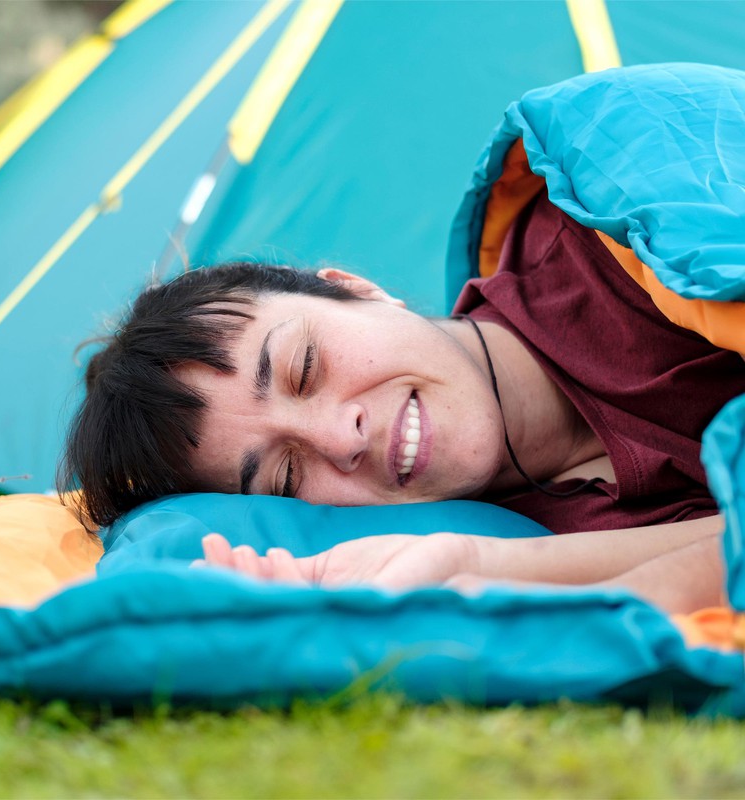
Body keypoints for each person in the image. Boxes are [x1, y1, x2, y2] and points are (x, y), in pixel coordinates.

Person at [61, 192, 745, 614]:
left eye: (304, 367)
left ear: (356, 288)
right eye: (289, 477)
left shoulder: (611, 238)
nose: (341, 437)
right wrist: (470, 566)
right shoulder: (533, 530)